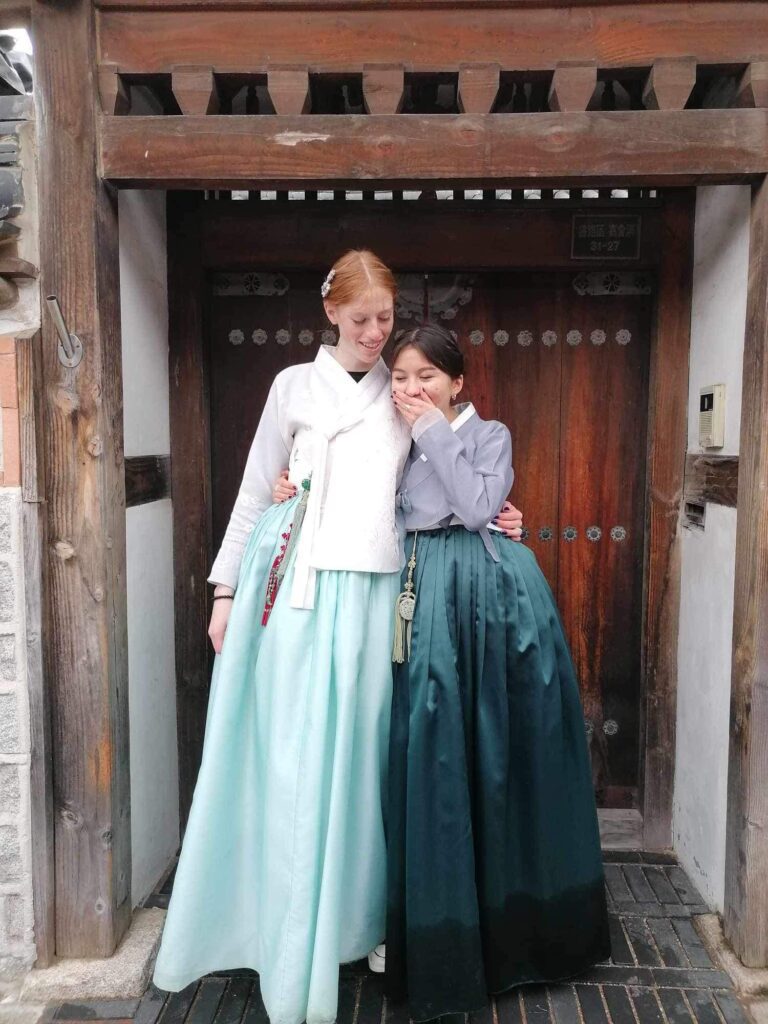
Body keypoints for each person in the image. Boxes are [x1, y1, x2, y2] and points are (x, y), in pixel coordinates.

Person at [152, 249, 523, 1024]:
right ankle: (278, 933)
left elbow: (438, 491)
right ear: (331, 313)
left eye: (385, 319)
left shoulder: (405, 392)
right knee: (288, 760)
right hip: (293, 589)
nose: (375, 333)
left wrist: (499, 513)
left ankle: (362, 923)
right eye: (362, 320)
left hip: (377, 595)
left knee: (362, 767)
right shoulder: (292, 386)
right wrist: (224, 590)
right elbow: (258, 489)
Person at [385, 323, 610, 1021]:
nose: (411, 389)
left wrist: (433, 433)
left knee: (500, 753)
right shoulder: (389, 437)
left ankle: (518, 930)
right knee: (434, 754)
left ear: (458, 382)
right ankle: (434, 928)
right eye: (400, 377)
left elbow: (479, 507)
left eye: (426, 376)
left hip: (492, 601)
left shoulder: (489, 434)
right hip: (424, 595)